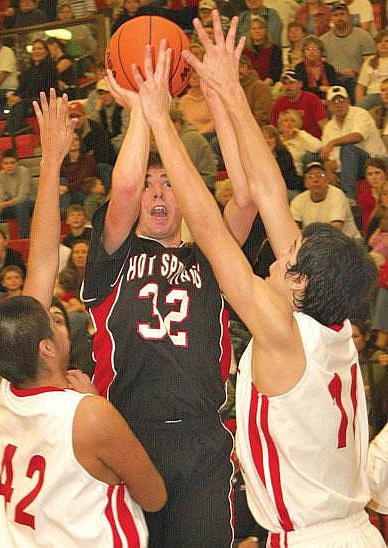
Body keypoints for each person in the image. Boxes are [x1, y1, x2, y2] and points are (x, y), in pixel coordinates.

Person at [146, 12, 384, 546]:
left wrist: (160, 121)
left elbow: (208, 228)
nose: (279, 258)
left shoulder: (284, 333)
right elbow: (272, 194)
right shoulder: (332, 324)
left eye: (288, 260)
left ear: (299, 286)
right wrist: (229, 93)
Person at [0, 89, 167, 545]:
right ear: (46, 347)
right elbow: (155, 496)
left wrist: (50, 162)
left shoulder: (4, 402)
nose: (58, 312)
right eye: (54, 318)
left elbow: (42, 263)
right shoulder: (89, 415)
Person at [82, 43, 257, 545]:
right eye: (151, 186)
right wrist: (143, 109)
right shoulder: (113, 252)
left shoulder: (209, 256)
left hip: (201, 436)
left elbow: (244, 199)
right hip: (128, 434)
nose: (157, 193)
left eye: (170, 183)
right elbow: (126, 184)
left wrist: (219, 101)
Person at [320, 85, 386, 199]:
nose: (338, 104)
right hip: (349, 168)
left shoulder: (360, 114)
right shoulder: (329, 127)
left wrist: (332, 143)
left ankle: (349, 197)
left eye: (341, 100)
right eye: (334, 101)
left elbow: (358, 136)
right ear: (329, 106)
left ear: (348, 101)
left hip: (375, 161)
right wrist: (328, 171)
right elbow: (327, 157)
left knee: (347, 149)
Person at [290, 160, 362, 240]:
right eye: (311, 176)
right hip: (316, 243)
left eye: (321, 175)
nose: (316, 180)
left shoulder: (337, 194)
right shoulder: (298, 200)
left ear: (327, 180)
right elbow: (293, 230)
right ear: (305, 183)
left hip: (347, 242)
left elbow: (335, 228)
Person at [320, 2, 375, 102]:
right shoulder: (323, 40)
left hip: (357, 79)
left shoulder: (363, 36)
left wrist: (355, 72)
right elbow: (321, 66)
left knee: (352, 82)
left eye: (342, 14)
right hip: (333, 79)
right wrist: (336, 73)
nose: (339, 18)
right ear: (331, 19)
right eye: (335, 15)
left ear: (349, 16)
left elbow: (371, 63)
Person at [0, 148, 33, 239]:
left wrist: (2, 205)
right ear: (2, 165)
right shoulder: (0, 175)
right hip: (13, 205)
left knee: (21, 206)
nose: (9, 166)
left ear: (17, 163)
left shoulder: (24, 171)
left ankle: (23, 239)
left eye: (12, 163)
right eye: (6, 163)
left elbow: (23, 197)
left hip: (30, 203)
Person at [270, 69, 327, 138]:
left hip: (312, 144)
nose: (288, 87)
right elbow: (274, 131)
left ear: (300, 84)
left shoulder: (312, 99)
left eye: (291, 82)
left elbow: (325, 127)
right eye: (285, 83)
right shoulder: (278, 104)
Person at [277, 108, 322, 176]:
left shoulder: (302, 139)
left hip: (294, 176)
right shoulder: (277, 140)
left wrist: (300, 133)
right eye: (285, 121)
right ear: (280, 124)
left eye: (293, 121)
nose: (289, 123)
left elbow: (318, 147)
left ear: (297, 123)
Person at [294, 35, 339, 100]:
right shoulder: (299, 68)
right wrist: (320, 88)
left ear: (320, 51)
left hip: (328, 101)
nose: (311, 52)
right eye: (307, 49)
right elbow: (301, 89)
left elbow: (335, 88)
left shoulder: (328, 68)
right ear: (303, 52)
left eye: (314, 49)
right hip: (306, 100)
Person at [242, 17, 282, 87]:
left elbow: (275, 72)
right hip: (248, 86)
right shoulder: (244, 51)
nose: (257, 31)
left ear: (266, 31)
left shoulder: (274, 49)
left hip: (268, 86)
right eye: (254, 28)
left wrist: (263, 86)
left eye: (260, 28)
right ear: (249, 31)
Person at [355, 30, 388, 110]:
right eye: (379, 42)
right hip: (373, 95)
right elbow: (360, 87)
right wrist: (359, 105)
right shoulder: (369, 61)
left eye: (386, 41)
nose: (383, 44)